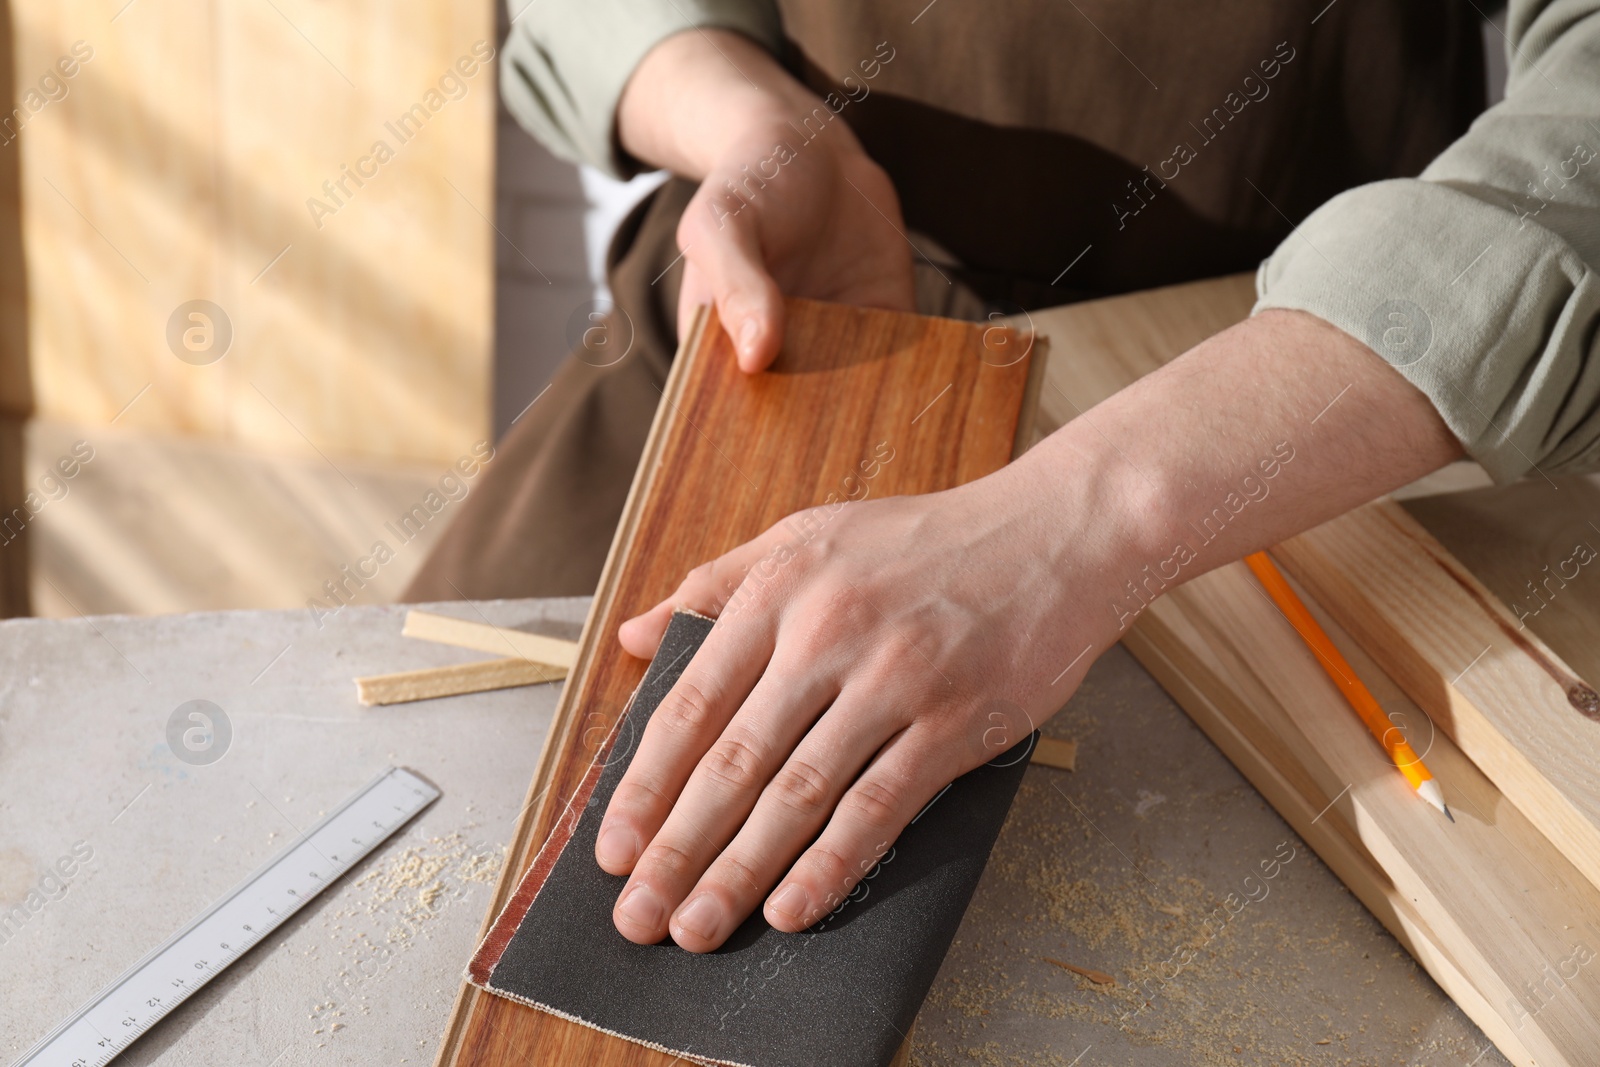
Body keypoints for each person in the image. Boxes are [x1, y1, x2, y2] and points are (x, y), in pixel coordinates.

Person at [406, 0, 1600, 953]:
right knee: (436, 798)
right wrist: (744, 118)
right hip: (786, 318)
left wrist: (1079, 520)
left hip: (1286, 395)